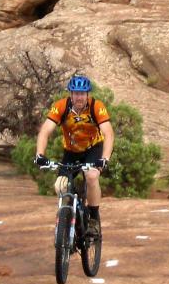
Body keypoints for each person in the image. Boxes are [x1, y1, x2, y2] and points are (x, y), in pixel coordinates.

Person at [34, 75, 113, 240]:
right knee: (60, 187)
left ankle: (93, 219)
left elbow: (108, 133)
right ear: (71, 94)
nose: (79, 97)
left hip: (93, 149)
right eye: (76, 93)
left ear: (87, 95)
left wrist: (104, 158)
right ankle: (70, 218)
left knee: (91, 176)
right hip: (71, 152)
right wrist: (40, 155)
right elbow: (45, 131)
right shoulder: (61, 106)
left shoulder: (96, 107)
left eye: (82, 93)